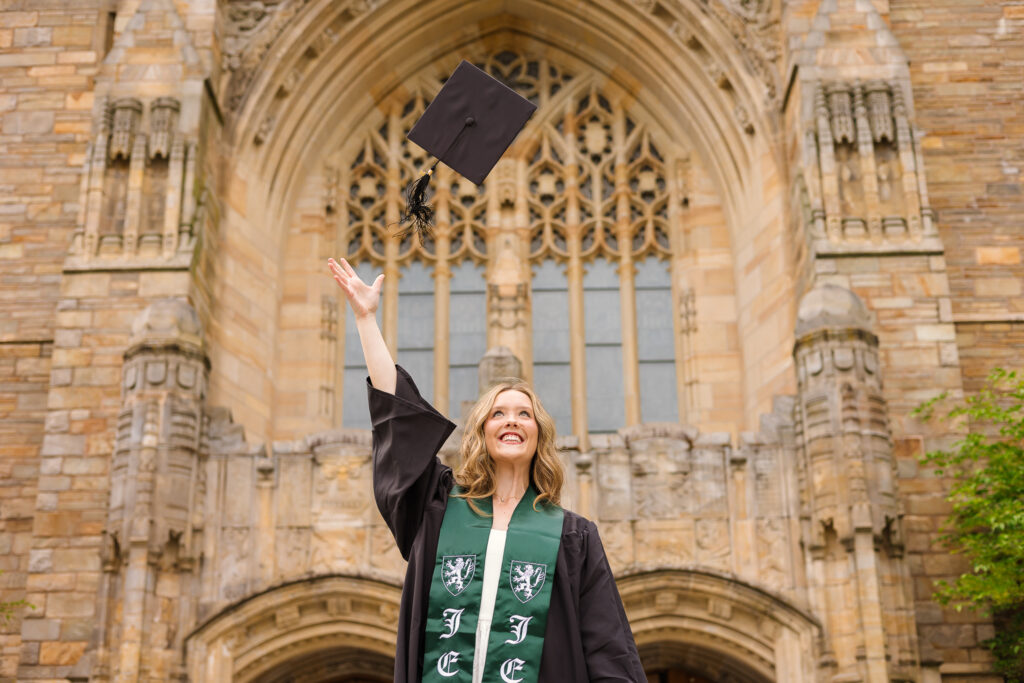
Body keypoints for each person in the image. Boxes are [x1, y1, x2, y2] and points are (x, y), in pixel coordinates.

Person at [328, 257, 646, 682]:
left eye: (523, 414)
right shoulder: (438, 511)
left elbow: (608, 650)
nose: (511, 420)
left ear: (539, 435)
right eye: (498, 413)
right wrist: (367, 319)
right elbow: (401, 427)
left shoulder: (573, 538)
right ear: (481, 431)